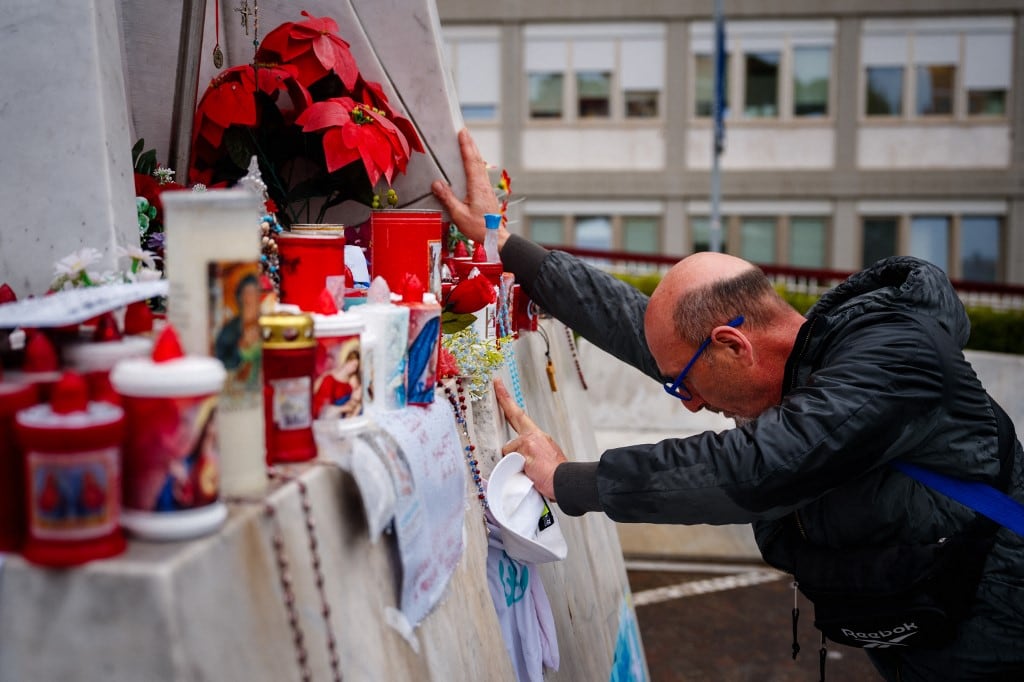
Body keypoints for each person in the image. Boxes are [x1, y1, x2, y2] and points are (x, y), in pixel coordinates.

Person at [431, 129, 1024, 680]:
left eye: (682, 384)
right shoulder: (793, 371)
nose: (689, 405)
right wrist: (499, 241)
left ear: (733, 344)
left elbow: (758, 467)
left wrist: (567, 480)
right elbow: (641, 328)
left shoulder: (893, 357)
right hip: (928, 632)